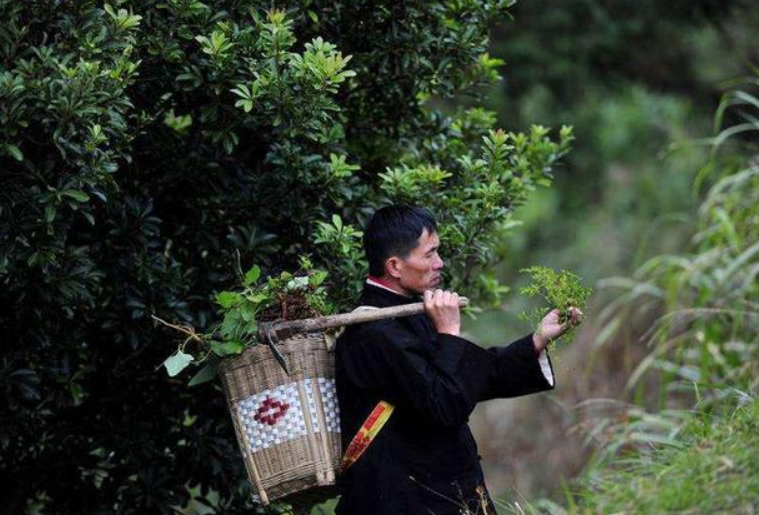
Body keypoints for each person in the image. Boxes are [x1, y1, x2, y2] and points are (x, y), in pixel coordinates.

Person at [334, 205, 583, 515]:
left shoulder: (410, 312)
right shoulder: (372, 335)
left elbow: (472, 377)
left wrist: (538, 340)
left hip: (435, 494)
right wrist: (449, 332)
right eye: (429, 254)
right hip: (405, 501)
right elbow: (445, 403)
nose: (440, 263)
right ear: (395, 266)